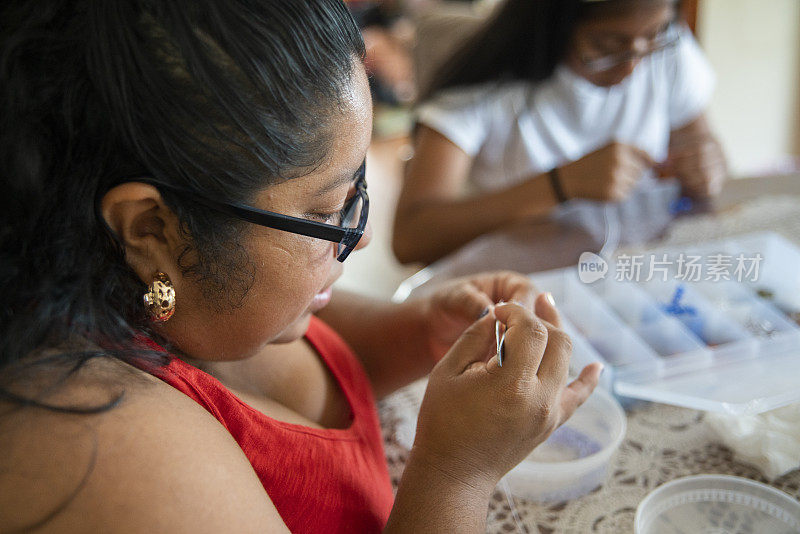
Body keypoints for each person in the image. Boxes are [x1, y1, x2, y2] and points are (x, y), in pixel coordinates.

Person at [0, 1, 601, 532]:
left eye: (357, 188)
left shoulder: (197, 291)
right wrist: (459, 474)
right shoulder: (107, 452)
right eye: (324, 209)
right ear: (151, 229)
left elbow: (312, 388)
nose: (357, 241)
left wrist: (421, 333)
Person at [392, 0, 727, 264]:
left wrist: (707, 164)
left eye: (653, 37)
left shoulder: (667, 52)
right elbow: (410, 237)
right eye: (608, 44)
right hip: (520, 285)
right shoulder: (481, 96)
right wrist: (561, 183)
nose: (633, 65)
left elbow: (700, 141)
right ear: (556, 24)